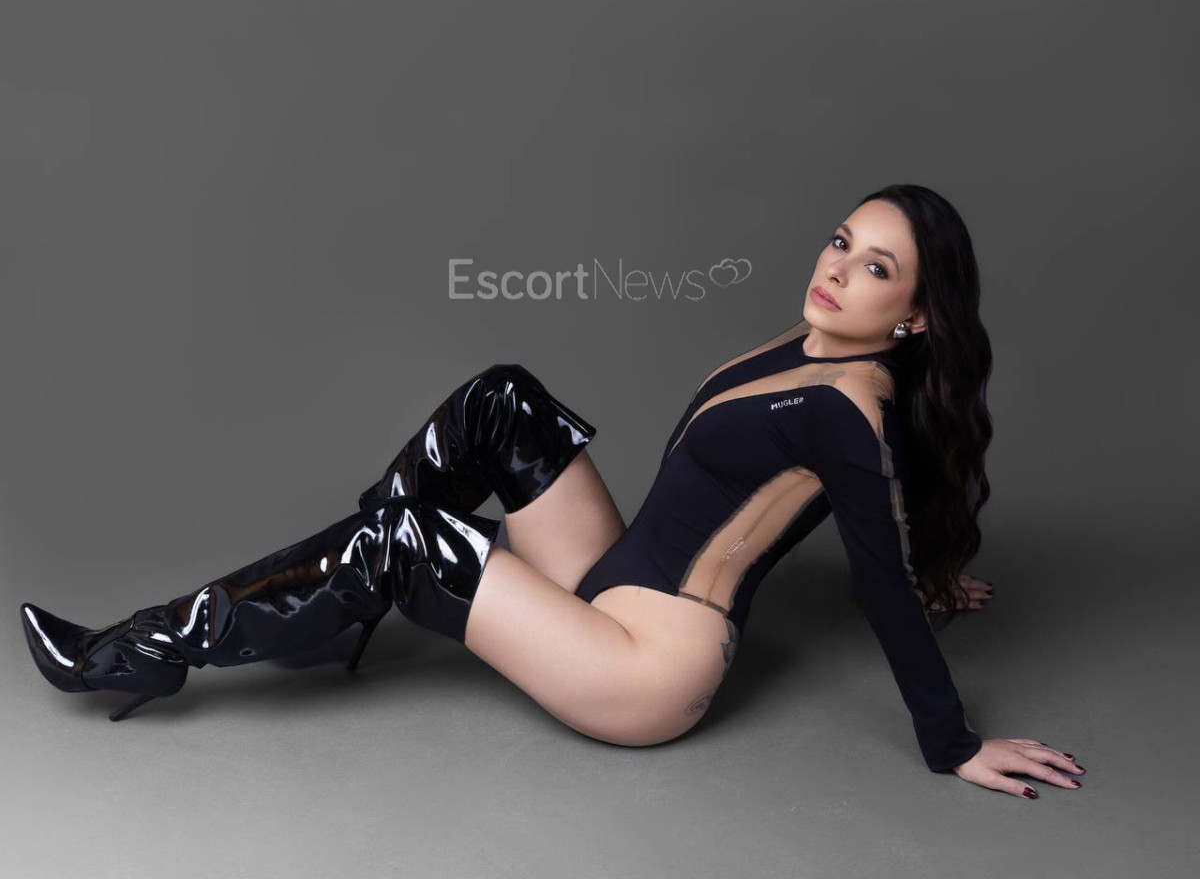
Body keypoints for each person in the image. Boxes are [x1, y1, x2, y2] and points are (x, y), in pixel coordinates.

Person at [20, 183, 1086, 799]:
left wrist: (953, 742)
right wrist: (946, 562)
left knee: (409, 542)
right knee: (501, 401)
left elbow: (879, 572)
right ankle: (349, 590)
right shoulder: (823, 340)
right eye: (843, 241)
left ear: (917, 317)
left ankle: (150, 647)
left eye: (877, 269)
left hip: (646, 667)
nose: (840, 268)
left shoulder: (853, 407)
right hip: (617, 578)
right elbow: (920, 468)